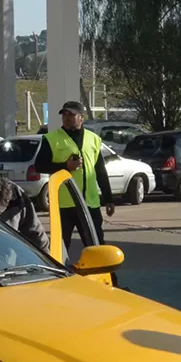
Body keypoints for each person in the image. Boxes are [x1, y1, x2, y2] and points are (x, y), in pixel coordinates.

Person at [33, 100, 114, 254]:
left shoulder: (93, 139)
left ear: (81, 117)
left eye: (71, 114)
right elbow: (39, 166)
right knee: (60, 248)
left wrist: (109, 199)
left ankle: (101, 276)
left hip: (89, 204)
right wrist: (65, 166)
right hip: (64, 205)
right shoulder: (51, 139)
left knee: (96, 245)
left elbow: (100, 171)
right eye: (64, 114)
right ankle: (60, 275)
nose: (67, 117)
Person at [0, 172, 48, 255]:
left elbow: (37, 237)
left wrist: (48, 263)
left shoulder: (17, 197)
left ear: (7, 202)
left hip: (6, 257)